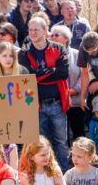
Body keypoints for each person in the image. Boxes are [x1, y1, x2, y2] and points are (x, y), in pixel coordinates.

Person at [18, 17, 71, 171]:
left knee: (61, 142)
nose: (33, 33)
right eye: (30, 30)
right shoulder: (24, 53)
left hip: (57, 103)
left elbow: (63, 73)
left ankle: (64, 173)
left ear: (45, 31)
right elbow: (27, 77)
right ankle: (47, 173)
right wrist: (51, 70)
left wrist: (38, 75)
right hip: (36, 106)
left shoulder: (59, 48)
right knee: (42, 143)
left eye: (36, 29)